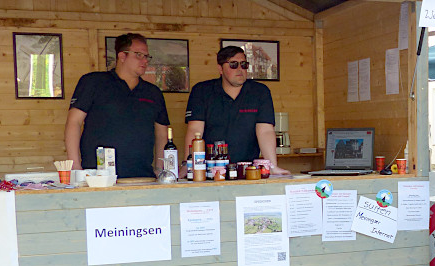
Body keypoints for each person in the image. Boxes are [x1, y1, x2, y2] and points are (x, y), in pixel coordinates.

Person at [64, 33, 169, 178]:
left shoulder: (153, 92)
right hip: (98, 176)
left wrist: (159, 168)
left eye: (147, 56)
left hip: (142, 176)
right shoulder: (94, 82)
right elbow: (73, 122)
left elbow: (162, 133)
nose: (145, 60)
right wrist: (75, 166)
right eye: (139, 55)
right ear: (122, 56)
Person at [183, 46, 289, 175]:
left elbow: (265, 131)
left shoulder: (260, 92)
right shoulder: (202, 91)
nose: (240, 69)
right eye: (233, 64)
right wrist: (188, 164)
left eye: (244, 65)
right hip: (209, 171)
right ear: (220, 69)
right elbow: (195, 130)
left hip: (247, 170)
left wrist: (272, 166)